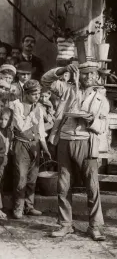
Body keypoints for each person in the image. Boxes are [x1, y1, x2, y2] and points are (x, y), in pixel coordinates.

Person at [41, 61, 110, 241]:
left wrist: (90, 121)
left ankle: (94, 226)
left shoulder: (101, 99)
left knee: (92, 186)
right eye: (84, 73)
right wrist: (63, 69)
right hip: (65, 140)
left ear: (96, 77)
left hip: (86, 142)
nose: (87, 77)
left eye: (91, 74)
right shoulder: (68, 89)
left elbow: (103, 126)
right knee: (63, 185)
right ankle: (65, 224)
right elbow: (45, 80)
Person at [10, 79, 51, 219]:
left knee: (32, 177)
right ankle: (18, 208)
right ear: (26, 94)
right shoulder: (17, 106)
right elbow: (21, 127)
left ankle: (29, 206)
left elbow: (40, 131)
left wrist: (45, 148)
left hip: (35, 145)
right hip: (21, 144)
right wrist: (32, 114)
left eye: (39, 94)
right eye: (34, 94)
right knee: (20, 177)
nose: (37, 97)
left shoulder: (39, 108)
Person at [0, 107, 13, 219]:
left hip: (5, 159)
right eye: (1, 119)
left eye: (6, 119)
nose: (3, 122)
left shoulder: (8, 131)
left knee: (2, 183)